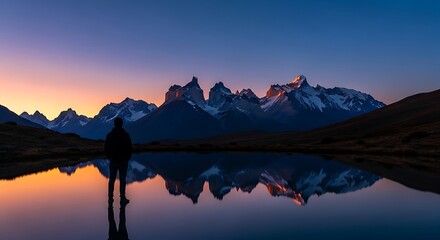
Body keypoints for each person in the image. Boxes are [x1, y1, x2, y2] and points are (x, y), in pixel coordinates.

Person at [105, 117, 132, 205]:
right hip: (123, 161)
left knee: (111, 179)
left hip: (113, 160)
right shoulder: (126, 135)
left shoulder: (109, 135)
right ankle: (122, 198)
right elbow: (129, 148)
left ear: (114, 124)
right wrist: (127, 157)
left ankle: (110, 199)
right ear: (122, 124)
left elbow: (106, 148)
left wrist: (109, 157)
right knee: (122, 179)